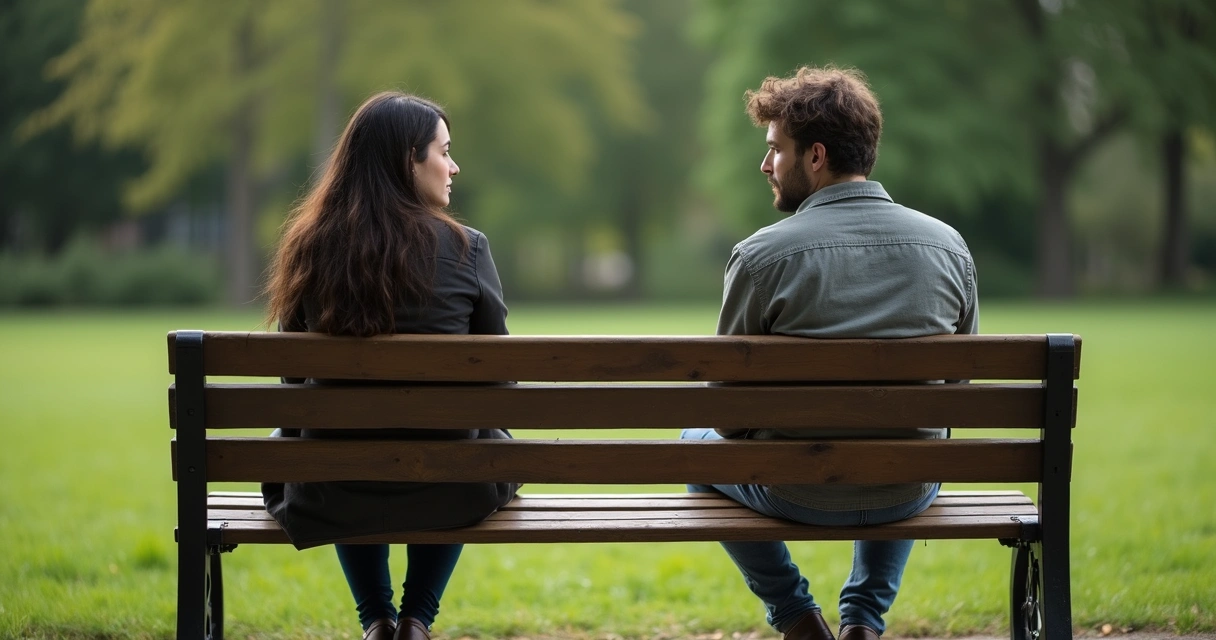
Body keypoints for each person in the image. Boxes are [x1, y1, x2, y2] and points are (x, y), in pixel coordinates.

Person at [681, 66, 979, 640]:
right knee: (906, 441)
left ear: (815, 157)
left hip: (796, 490)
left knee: (694, 444)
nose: (765, 165)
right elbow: (953, 400)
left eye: (775, 150)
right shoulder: (949, 248)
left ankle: (795, 617)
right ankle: (864, 620)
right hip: (908, 487)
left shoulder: (760, 257)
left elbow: (726, 419)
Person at [261, 91, 519, 640]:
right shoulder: (466, 248)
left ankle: (375, 619)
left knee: (341, 446)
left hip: (334, 483)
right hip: (453, 483)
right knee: (472, 444)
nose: (453, 166)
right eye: (444, 152)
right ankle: (417, 619)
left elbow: (292, 382)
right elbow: (500, 377)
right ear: (410, 159)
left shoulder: (310, 247)